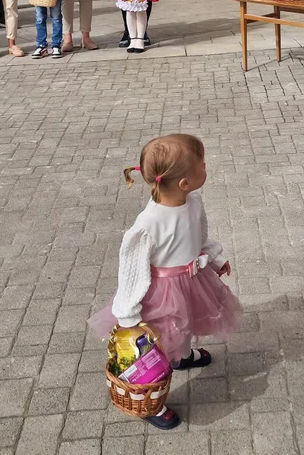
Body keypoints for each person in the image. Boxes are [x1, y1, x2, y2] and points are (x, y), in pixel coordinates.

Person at [88, 134, 242, 430]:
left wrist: (215, 257)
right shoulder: (148, 224)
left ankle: (182, 357)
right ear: (184, 182)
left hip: (193, 282)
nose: (206, 168)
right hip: (160, 293)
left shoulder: (193, 200)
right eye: (202, 165)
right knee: (158, 344)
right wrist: (129, 314)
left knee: (184, 328)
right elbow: (131, 268)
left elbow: (200, 236)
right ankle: (152, 401)